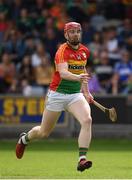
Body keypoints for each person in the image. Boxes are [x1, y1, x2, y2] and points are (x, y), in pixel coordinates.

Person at [15, 22, 94, 172]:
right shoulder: (62, 51)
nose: (75, 34)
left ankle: (81, 159)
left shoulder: (84, 51)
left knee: (87, 120)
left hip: (74, 95)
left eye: (78, 31)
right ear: (66, 35)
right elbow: (63, 73)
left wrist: (86, 91)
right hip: (57, 95)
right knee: (44, 132)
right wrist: (78, 79)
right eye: (72, 32)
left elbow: (82, 69)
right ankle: (24, 139)